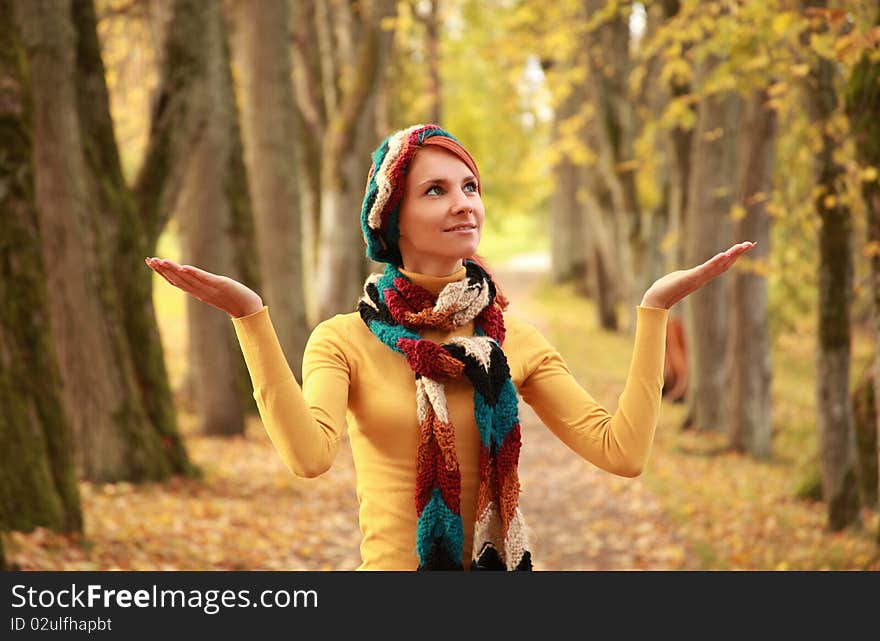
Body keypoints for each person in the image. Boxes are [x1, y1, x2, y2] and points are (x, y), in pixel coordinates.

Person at [145, 123, 754, 571]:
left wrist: (654, 311)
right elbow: (309, 457)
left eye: (469, 186)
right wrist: (250, 317)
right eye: (435, 190)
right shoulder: (344, 340)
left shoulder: (511, 338)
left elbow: (622, 453)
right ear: (393, 220)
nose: (464, 202)